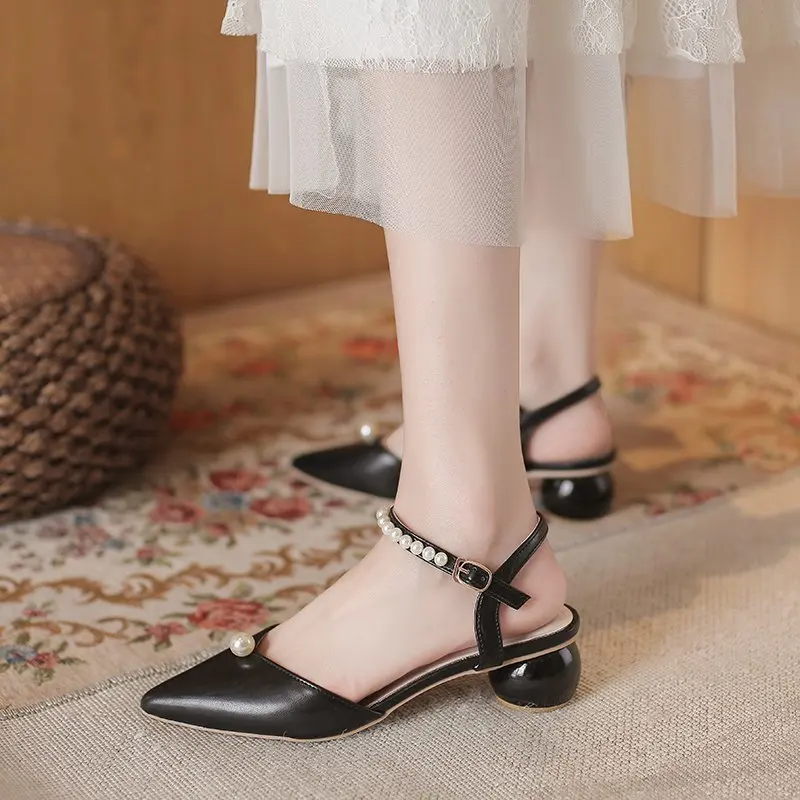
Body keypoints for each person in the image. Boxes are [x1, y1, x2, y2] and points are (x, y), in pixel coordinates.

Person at [140, 1, 800, 741]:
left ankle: (463, 532)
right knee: (551, 14)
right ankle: (548, 383)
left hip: (486, 565)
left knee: (434, 16)